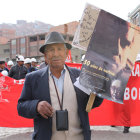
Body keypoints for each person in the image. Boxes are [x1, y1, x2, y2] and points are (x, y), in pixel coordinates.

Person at [17, 31, 103, 140]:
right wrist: (36, 106)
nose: (56, 53)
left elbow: (92, 103)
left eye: (59, 49)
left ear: (66, 53)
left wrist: (99, 90)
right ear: (45, 55)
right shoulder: (33, 78)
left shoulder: (80, 76)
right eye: (51, 50)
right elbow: (21, 107)